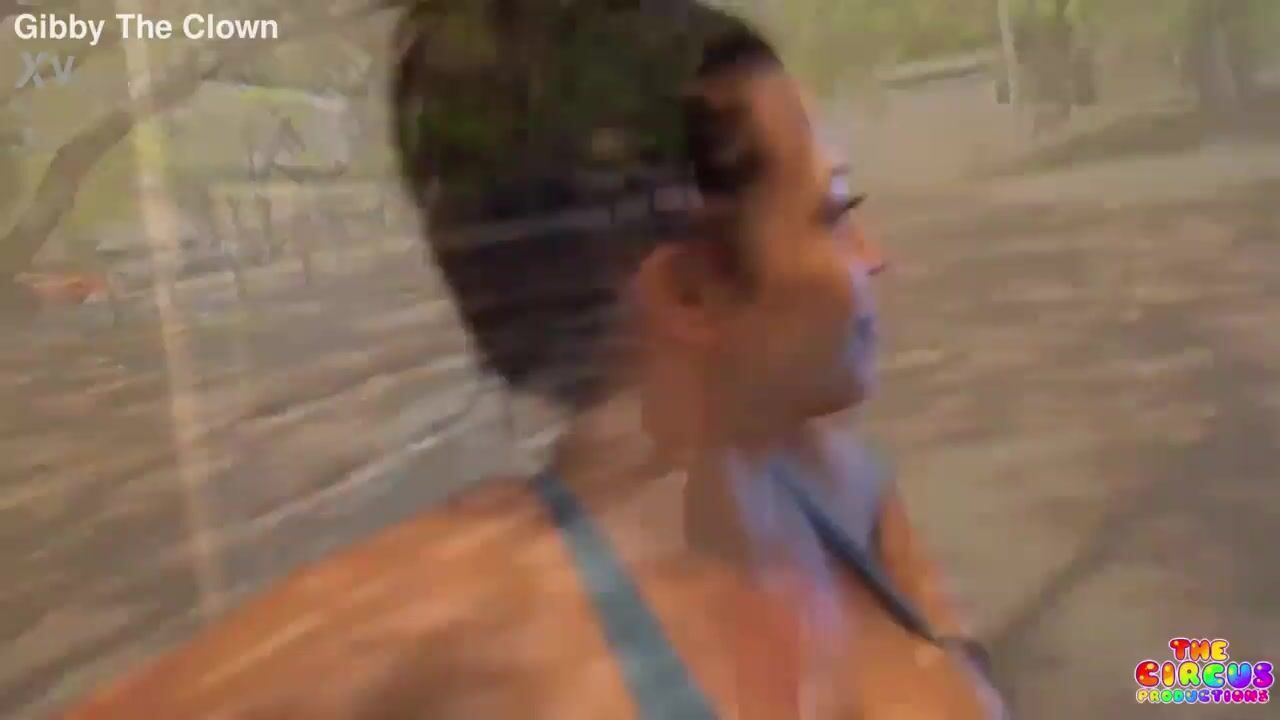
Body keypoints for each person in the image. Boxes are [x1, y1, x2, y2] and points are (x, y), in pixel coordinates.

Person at [60, 1, 1005, 717]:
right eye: (834, 213)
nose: (875, 256)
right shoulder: (467, 605)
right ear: (689, 293)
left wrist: (1110, 675)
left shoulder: (841, 487)